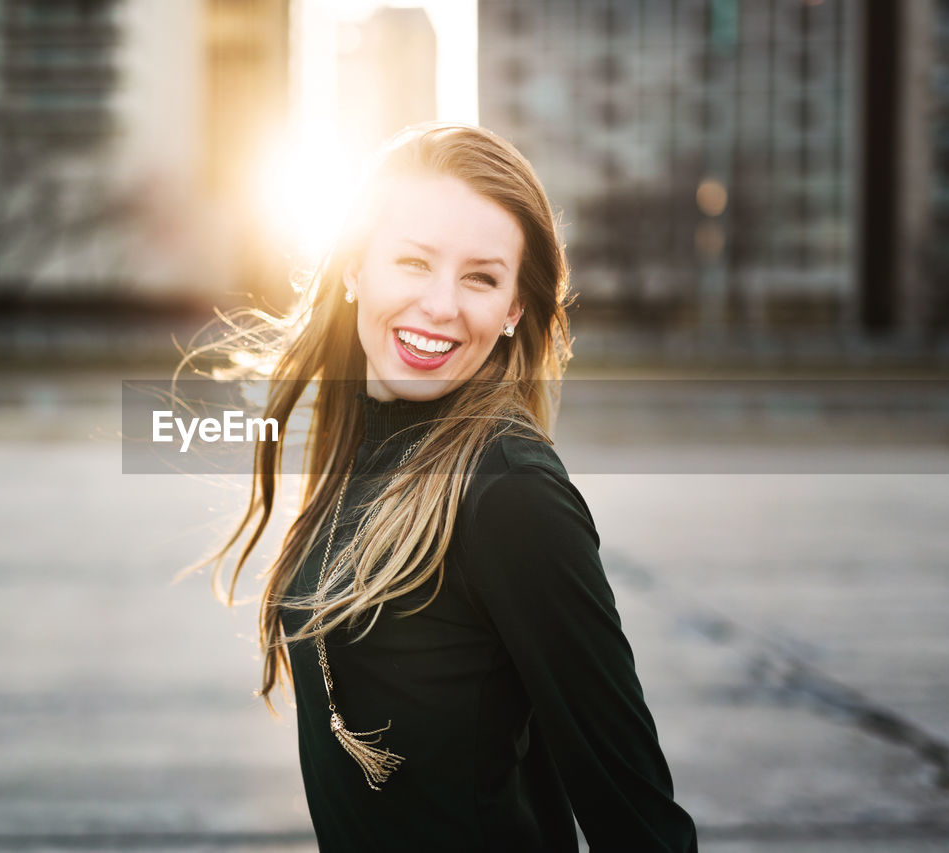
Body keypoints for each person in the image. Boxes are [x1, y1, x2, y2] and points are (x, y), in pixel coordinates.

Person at [183, 122, 698, 851]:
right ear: (356, 267)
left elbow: (638, 815)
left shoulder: (511, 494)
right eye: (415, 262)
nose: (441, 305)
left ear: (515, 307)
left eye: (482, 277)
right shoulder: (363, 442)